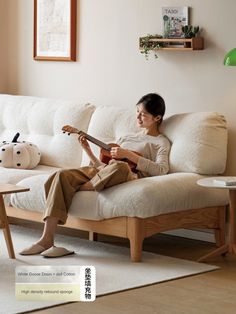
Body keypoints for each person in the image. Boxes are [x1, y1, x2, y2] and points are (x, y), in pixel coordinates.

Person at [20, 93, 171, 257]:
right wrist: (88, 151)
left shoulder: (160, 142)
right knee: (61, 176)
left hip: (128, 175)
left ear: (157, 118)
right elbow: (102, 167)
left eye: (144, 114)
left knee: (120, 166)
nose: (138, 117)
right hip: (104, 173)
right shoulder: (126, 137)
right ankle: (46, 239)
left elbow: (162, 169)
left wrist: (129, 155)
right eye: (137, 112)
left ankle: (78, 188)